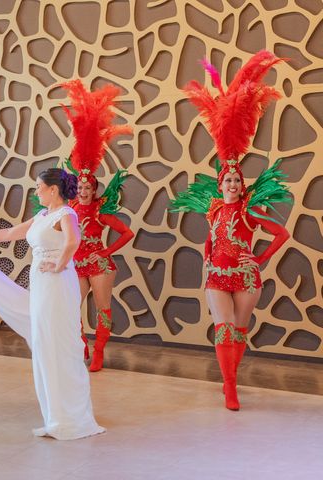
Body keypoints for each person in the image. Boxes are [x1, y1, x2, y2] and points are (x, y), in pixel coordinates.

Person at [0, 168, 105, 440]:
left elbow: (74, 240)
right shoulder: (42, 216)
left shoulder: (67, 214)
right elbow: (12, 233)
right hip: (42, 285)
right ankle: (55, 414)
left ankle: (70, 418)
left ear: (53, 189)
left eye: (39, 186)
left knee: (56, 342)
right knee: (43, 343)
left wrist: (59, 264)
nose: (36, 190)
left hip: (57, 284)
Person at [171, 51, 291, 410]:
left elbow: (281, 235)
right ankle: (230, 386)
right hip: (218, 276)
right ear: (222, 183)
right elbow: (210, 235)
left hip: (247, 276)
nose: (234, 184)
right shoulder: (213, 208)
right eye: (229, 180)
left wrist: (259, 259)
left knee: (239, 330)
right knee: (223, 329)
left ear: (242, 184)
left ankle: (232, 378)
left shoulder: (251, 212)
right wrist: (207, 259)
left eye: (239, 180)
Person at [60, 79, 135, 371]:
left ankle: (100, 351)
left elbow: (126, 232)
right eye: (79, 187)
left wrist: (105, 253)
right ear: (75, 188)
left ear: (94, 188)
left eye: (88, 187)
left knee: (103, 309)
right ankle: (82, 346)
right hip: (75, 263)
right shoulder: (69, 211)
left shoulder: (101, 211)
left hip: (99, 264)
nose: (83, 191)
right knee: (71, 308)